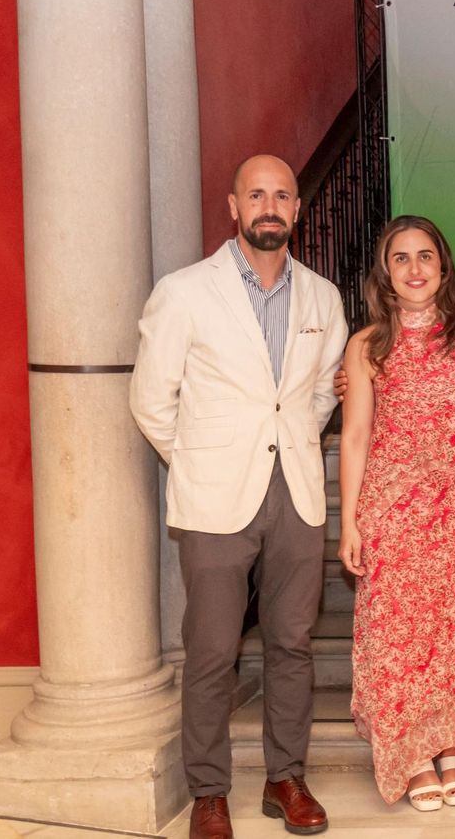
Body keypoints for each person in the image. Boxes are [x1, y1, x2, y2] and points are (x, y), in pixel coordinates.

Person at [130, 155, 348, 839]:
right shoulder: (185, 291)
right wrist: (199, 460)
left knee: (291, 642)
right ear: (233, 206)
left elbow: (318, 394)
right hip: (215, 497)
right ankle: (209, 790)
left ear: (298, 208)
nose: (270, 205)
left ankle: (285, 778)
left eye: (283, 194)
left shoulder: (323, 297)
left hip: (298, 497)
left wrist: (288, 444)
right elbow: (150, 400)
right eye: (257, 194)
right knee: (213, 648)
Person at [338, 216, 455, 810]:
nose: (414, 269)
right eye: (401, 258)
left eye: (426, 257)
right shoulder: (366, 345)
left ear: (443, 267)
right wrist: (350, 522)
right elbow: (356, 435)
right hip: (393, 510)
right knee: (400, 635)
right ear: (385, 273)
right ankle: (412, 753)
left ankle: (454, 745)